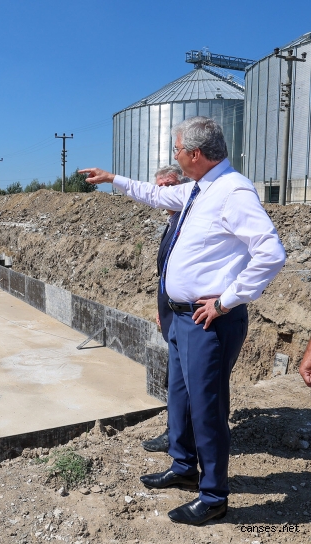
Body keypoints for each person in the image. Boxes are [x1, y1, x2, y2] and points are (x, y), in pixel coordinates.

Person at [80, 116, 285, 526]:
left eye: (177, 150)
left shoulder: (233, 191)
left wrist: (226, 301)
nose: (174, 157)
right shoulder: (198, 189)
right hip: (181, 318)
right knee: (180, 396)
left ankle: (213, 497)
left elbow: (271, 253)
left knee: (207, 409)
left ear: (195, 153)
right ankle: (184, 466)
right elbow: (155, 195)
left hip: (208, 322)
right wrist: (113, 178)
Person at [141, 164, 191, 454]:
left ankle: (179, 436)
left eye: (170, 186)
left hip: (188, 315)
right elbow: (166, 273)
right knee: (176, 378)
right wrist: (162, 309)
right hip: (172, 312)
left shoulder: (188, 221)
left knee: (182, 379)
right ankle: (178, 433)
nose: (164, 193)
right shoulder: (172, 221)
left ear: (183, 186)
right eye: (159, 188)